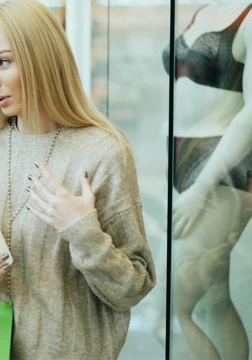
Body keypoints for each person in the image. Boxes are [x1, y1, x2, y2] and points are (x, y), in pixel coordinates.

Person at [0, 1, 156, 358]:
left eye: (3, 62)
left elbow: (132, 287)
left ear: (42, 58)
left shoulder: (102, 152)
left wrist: (83, 231)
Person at [162, 2, 252, 359]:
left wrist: (202, 187)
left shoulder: (248, 14)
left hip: (222, 167)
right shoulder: (202, 9)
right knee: (214, 299)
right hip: (185, 157)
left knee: (177, 308)